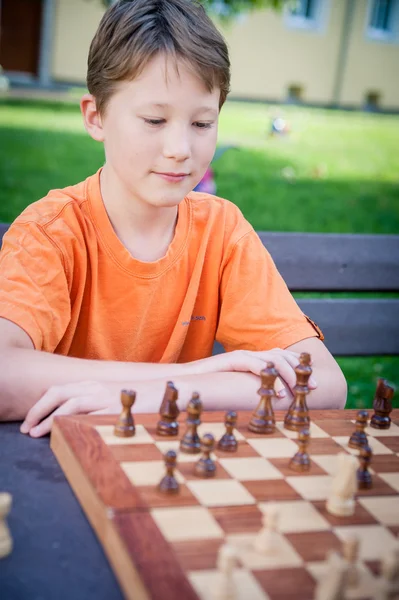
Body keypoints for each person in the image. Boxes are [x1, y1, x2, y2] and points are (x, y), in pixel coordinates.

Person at [0, 0, 346, 437]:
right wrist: (202, 375)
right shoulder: (51, 233)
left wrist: (164, 393)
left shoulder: (222, 231)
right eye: (154, 119)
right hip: (58, 473)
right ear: (96, 116)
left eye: (202, 124)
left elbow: (326, 384)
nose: (180, 147)